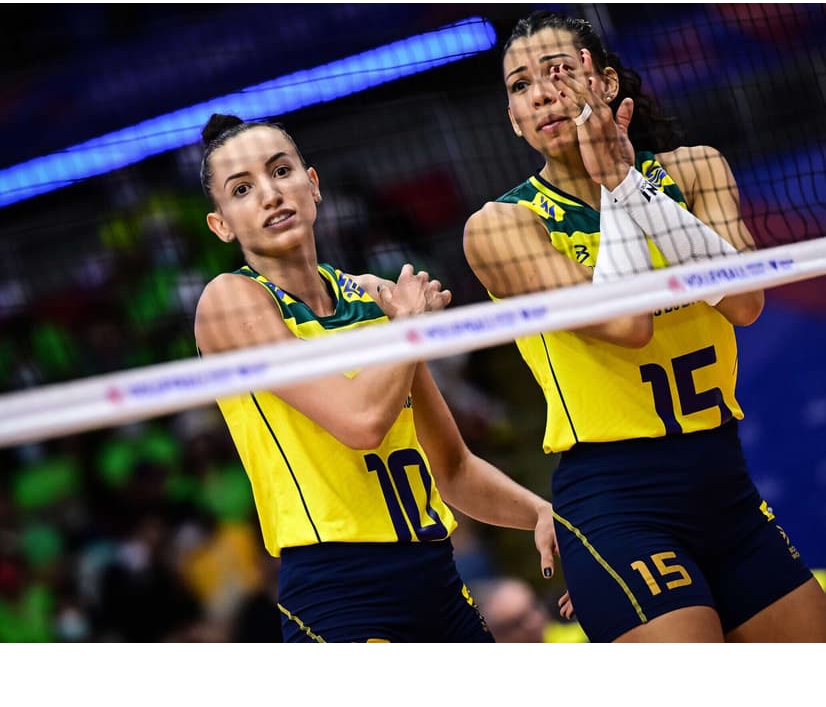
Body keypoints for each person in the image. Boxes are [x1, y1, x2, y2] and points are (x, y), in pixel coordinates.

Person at [462, 11, 826, 643]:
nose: (542, 94)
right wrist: (616, 189)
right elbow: (627, 321)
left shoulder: (694, 169)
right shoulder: (503, 225)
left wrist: (629, 184)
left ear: (606, 83)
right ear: (513, 119)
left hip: (725, 483)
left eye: (558, 72)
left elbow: (745, 301)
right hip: (617, 501)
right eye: (520, 85)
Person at [193, 113, 557, 642]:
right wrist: (407, 329)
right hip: (341, 594)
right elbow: (360, 423)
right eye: (242, 189)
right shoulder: (229, 300)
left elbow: (451, 467)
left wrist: (542, 512)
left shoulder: (371, 298)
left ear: (312, 185)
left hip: (438, 578)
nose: (270, 195)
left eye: (280, 171)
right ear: (222, 224)